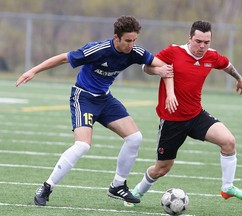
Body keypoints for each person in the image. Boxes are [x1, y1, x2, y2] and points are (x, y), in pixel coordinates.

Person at [15, 15, 173, 206]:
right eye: (128, 40)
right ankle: (47, 186)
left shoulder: (135, 51)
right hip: (83, 97)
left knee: (135, 138)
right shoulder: (98, 49)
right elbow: (64, 58)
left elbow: (158, 65)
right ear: (117, 38)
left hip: (105, 99)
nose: (132, 44)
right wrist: (33, 70)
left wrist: (158, 72)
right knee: (82, 145)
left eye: (134, 40)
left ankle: (118, 185)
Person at [124, 20, 242, 207]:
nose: (202, 46)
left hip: (196, 115)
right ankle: (137, 192)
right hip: (172, 120)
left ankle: (227, 187)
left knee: (229, 142)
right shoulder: (173, 52)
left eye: (206, 42)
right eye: (198, 41)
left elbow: (226, 64)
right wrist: (159, 70)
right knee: (162, 169)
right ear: (190, 38)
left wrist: (239, 78)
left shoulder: (211, 56)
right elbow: (146, 67)